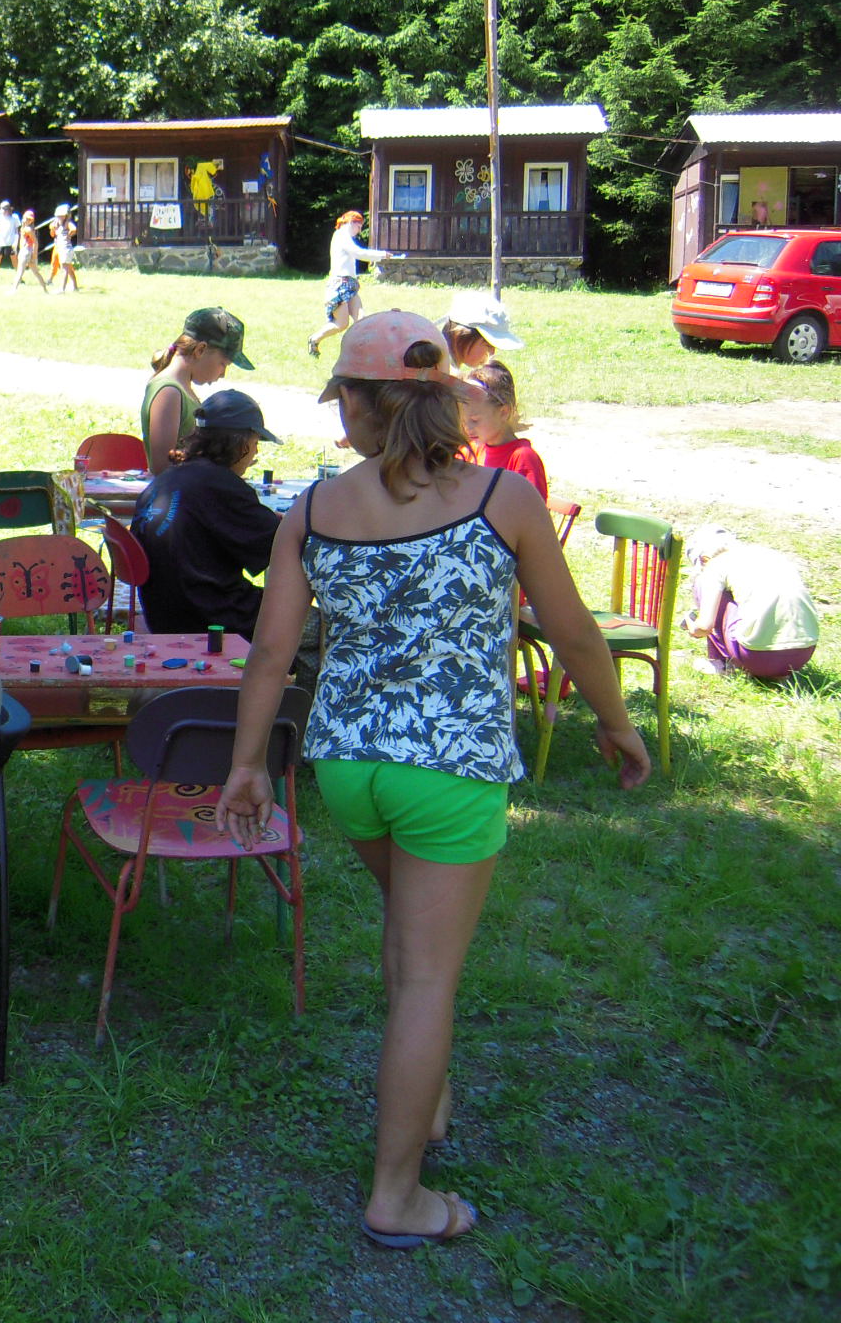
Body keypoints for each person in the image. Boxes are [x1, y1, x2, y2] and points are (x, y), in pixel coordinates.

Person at [216, 310, 650, 1248]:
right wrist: (617, 725)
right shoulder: (504, 499)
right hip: (450, 769)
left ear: (361, 405)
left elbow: (271, 655)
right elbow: (573, 632)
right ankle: (397, 1196)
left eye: (344, 399)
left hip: (349, 767)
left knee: (408, 938)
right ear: (446, 399)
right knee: (427, 978)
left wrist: (247, 765)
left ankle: (432, 1099)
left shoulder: (313, 511)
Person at [131, 391, 283, 639]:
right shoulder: (223, 486)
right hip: (214, 618)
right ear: (241, 443)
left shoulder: (169, 478)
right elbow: (280, 544)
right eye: (256, 443)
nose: (256, 452)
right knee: (325, 628)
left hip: (164, 615)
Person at [682, 527, 820, 680]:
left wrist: (692, 625)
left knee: (701, 583)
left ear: (704, 559)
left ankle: (722, 663)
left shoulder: (714, 566)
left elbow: (703, 628)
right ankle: (777, 674)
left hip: (756, 658)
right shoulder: (769, 554)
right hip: (802, 655)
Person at [141, 306, 252, 473]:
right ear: (200, 350)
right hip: (176, 489)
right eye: (223, 364)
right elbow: (162, 466)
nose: (222, 374)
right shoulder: (169, 392)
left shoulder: (182, 389)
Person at [307, 210, 402, 358]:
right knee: (341, 324)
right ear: (351, 222)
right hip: (339, 285)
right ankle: (314, 339)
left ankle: (365, 353)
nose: (359, 231)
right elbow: (358, 253)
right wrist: (381, 254)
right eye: (359, 227)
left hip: (350, 285)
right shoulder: (341, 235)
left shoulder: (345, 237)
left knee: (362, 320)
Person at [460, 361, 547, 499]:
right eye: (464, 421)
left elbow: (531, 510)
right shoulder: (471, 451)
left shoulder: (522, 459)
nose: (468, 428)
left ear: (504, 412)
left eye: (475, 420)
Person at [440, 290, 524, 374]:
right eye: (488, 346)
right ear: (463, 336)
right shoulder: (442, 373)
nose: (492, 353)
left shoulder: (444, 364)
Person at [12, 209, 49, 290]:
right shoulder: (23, 228)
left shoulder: (28, 229)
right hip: (24, 250)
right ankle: (45, 289)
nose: (27, 220)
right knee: (35, 272)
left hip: (27, 251)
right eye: (26, 218)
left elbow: (35, 242)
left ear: (32, 221)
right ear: (23, 218)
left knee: (20, 271)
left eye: (30, 219)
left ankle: (13, 290)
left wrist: (34, 255)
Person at [47, 203, 80, 292]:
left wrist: (68, 235)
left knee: (64, 269)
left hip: (66, 248)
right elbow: (52, 234)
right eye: (58, 216)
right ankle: (75, 287)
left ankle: (62, 289)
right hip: (61, 248)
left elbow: (74, 229)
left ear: (66, 215)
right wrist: (53, 229)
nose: (60, 217)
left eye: (61, 215)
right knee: (69, 268)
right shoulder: (57, 224)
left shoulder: (68, 223)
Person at [0, 199, 20, 281]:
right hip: (0, 242)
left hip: (11, 242)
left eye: (4, 209)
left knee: (14, 260)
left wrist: (16, 243)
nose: (2, 210)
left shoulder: (14, 217)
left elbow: (16, 231)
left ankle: (19, 278)